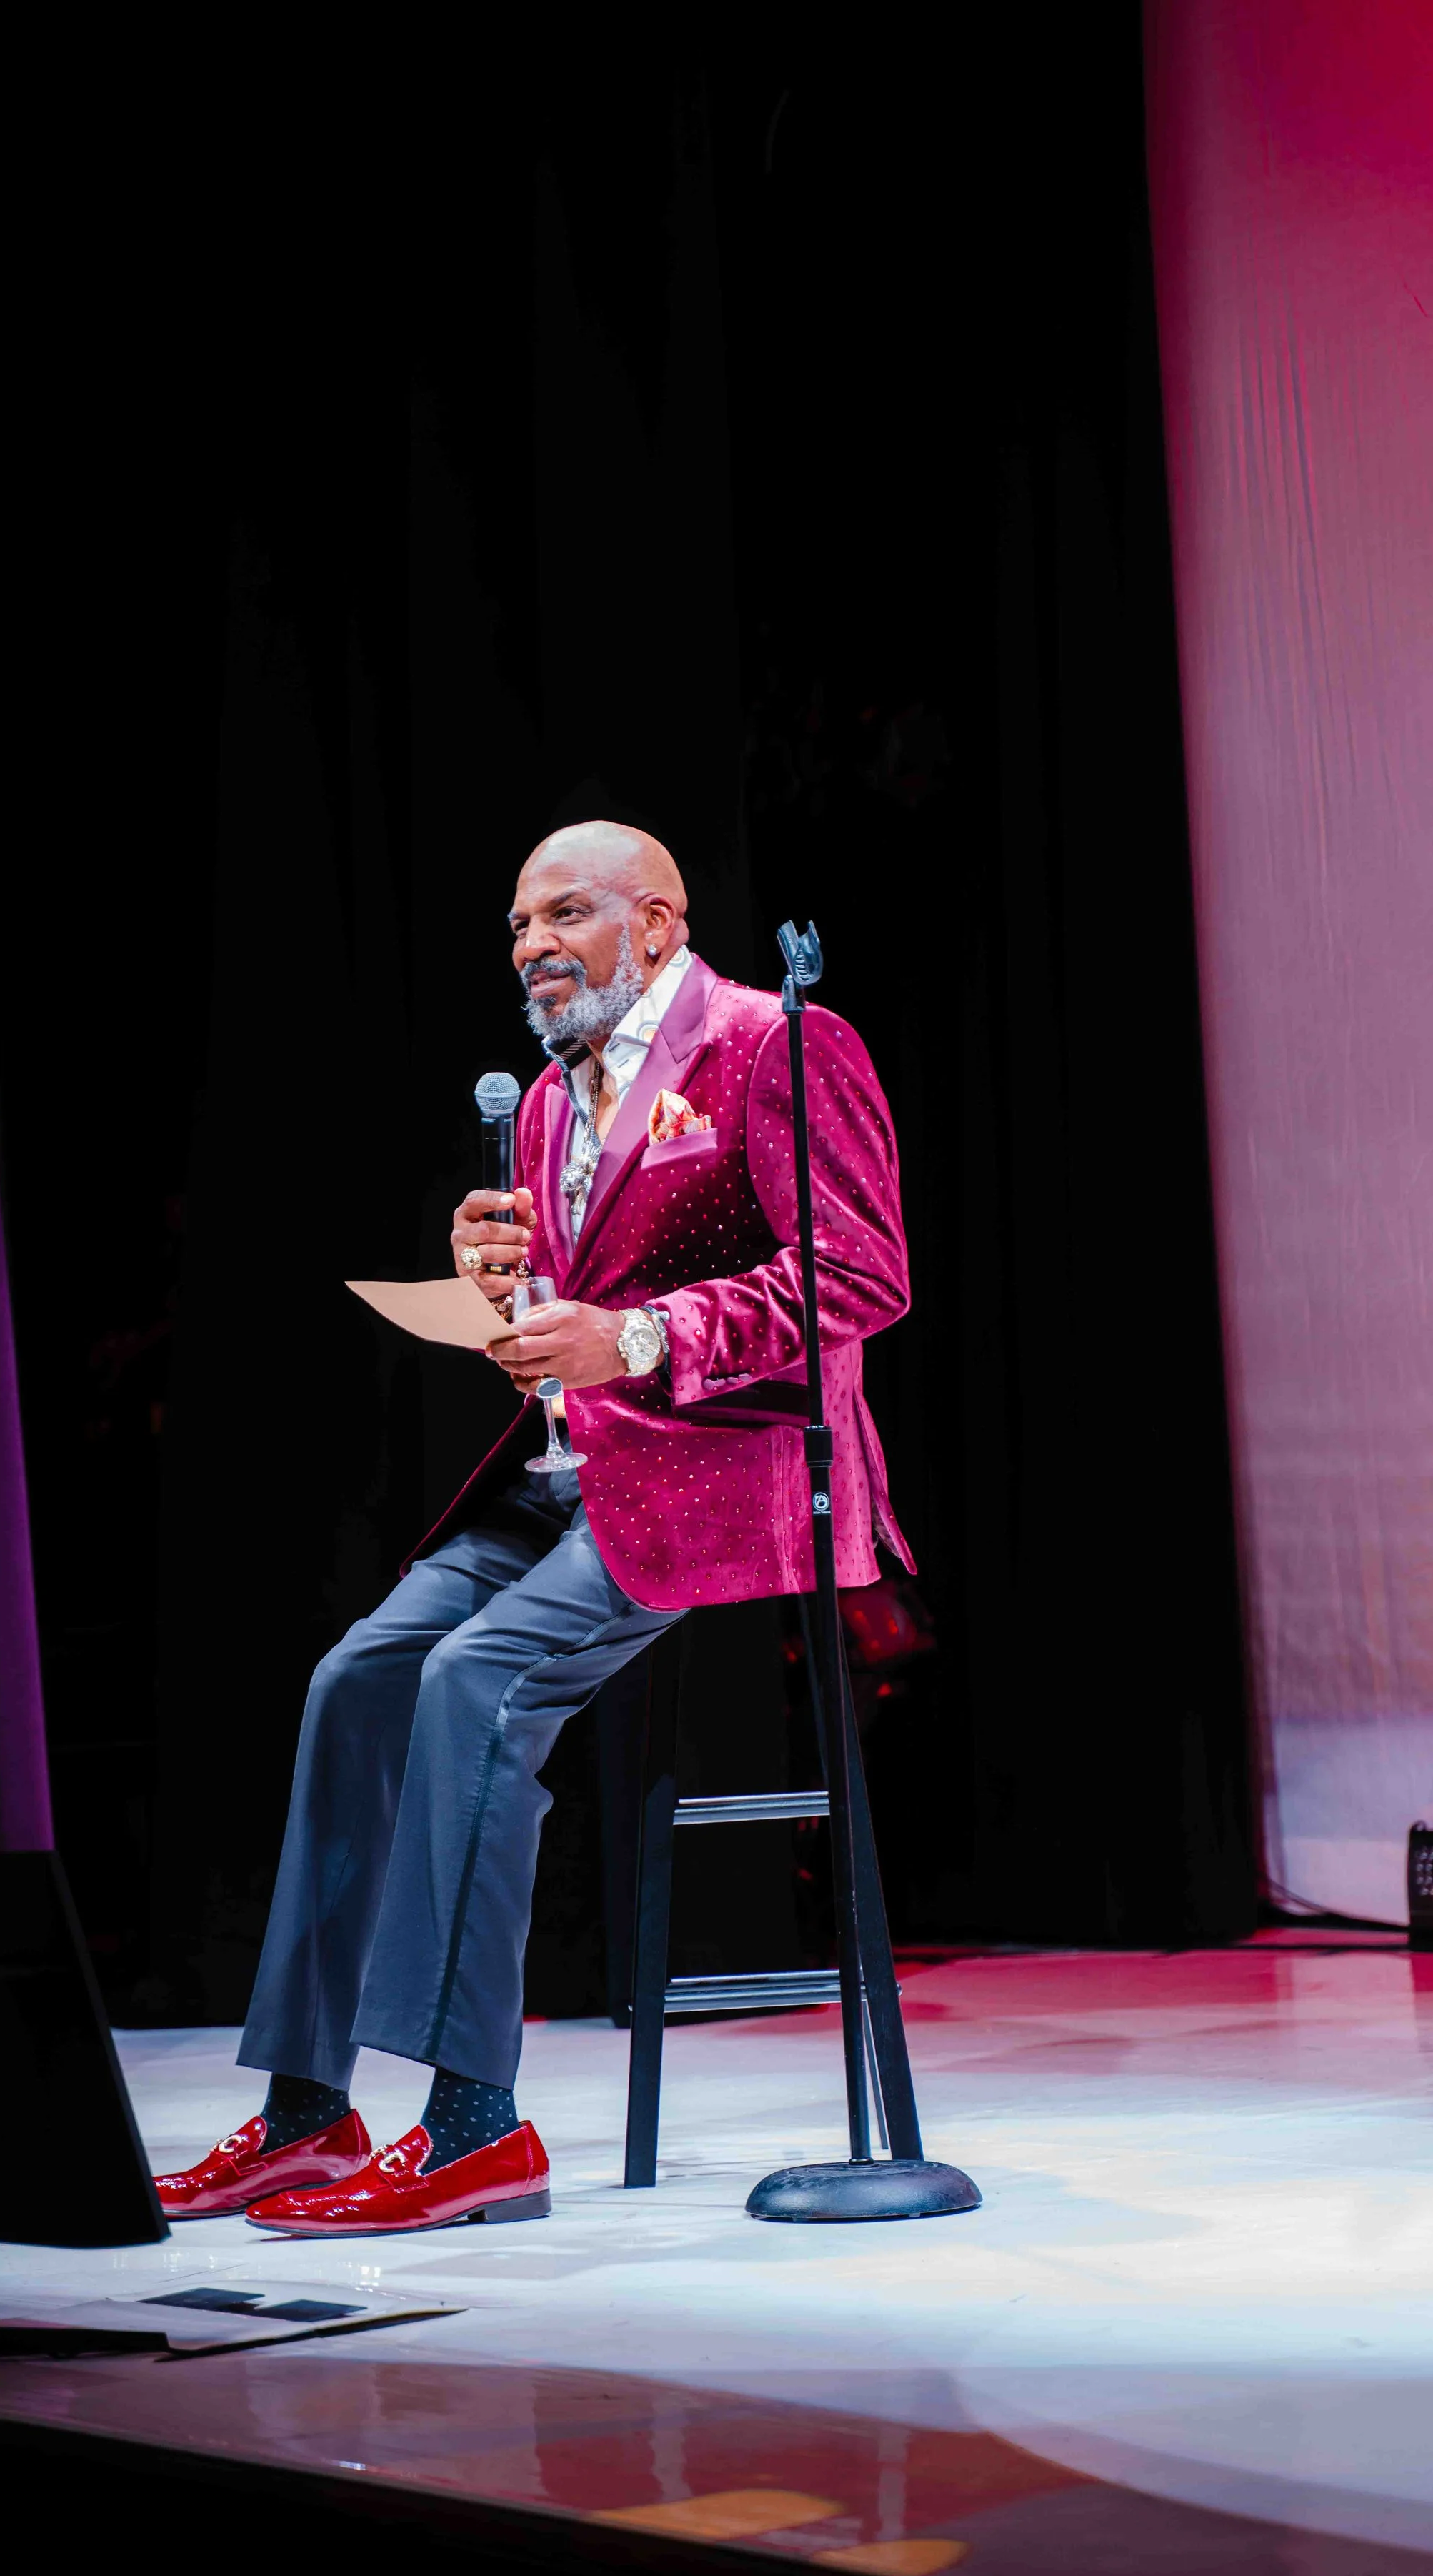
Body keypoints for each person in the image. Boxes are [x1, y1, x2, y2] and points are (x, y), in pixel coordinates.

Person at [154, 820, 914, 2235]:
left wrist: (630, 1332)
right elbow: (568, 1317)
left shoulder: (777, 1042)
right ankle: (311, 2113)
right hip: (568, 1472)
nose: (532, 947)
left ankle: (472, 2125)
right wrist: (503, 1289)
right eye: (515, 926)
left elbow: (859, 1272)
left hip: (720, 1464)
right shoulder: (559, 1099)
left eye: (564, 912)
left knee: (473, 1679)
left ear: (660, 921)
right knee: (355, 1679)